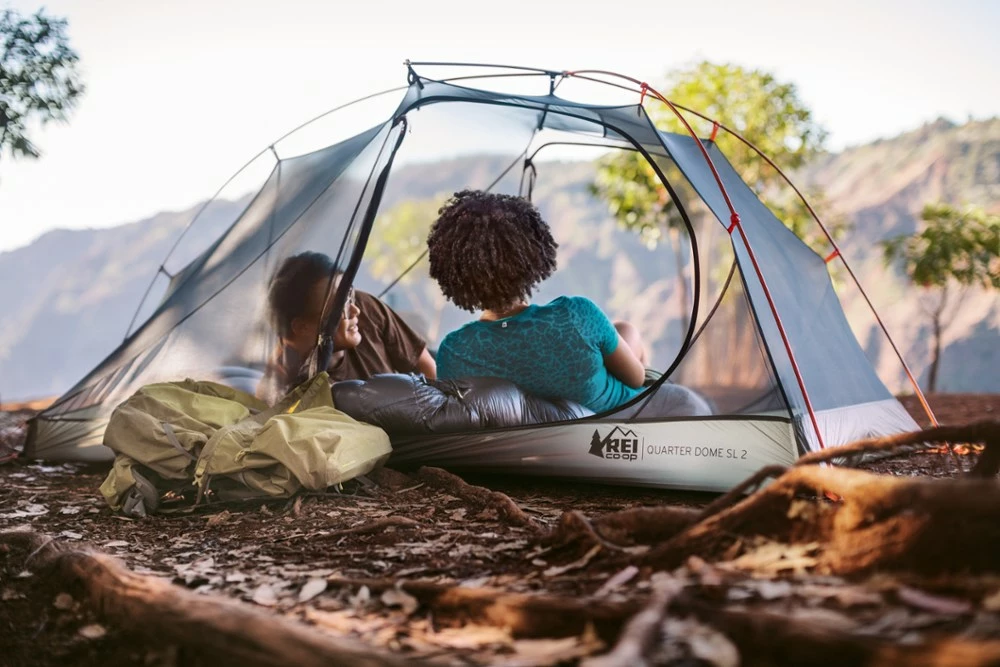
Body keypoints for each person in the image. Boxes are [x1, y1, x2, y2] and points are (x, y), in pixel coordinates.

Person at [426, 190, 647, 414]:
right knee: (627, 331)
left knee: (620, 330)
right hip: (618, 421)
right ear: (532, 255)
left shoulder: (453, 353)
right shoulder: (577, 314)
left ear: (452, 274)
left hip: (530, 443)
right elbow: (637, 379)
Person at [257, 251, 436, 402]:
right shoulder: (288, 387)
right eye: (338, 305)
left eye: (349, 294)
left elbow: (428, 369)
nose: (355, 309)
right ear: (302, 327)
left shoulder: (366, 307)